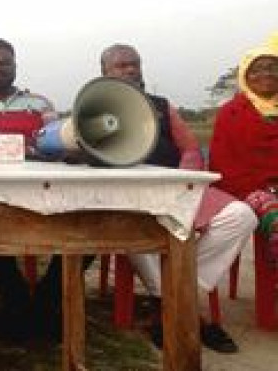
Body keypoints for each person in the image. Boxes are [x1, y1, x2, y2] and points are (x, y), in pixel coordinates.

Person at [101, 43, 257, 353]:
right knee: (127, 226)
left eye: (135, 64)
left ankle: (170, 301)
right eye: (121, 65)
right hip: (128, 196)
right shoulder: (94, 108)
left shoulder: (162, 106)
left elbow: (190, 148)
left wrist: (184, 182)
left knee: (242, 216)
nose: (131, 70)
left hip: (175, 188)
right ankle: (187, 311)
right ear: (104, 72)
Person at [0, 38, 73, 341]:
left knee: (86, 227)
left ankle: (45, 301)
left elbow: (59, 144)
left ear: (15, 66)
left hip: (43, 193)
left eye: (4, 62)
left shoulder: (40, 104)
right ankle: (21, 303)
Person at [209, 39, 278, 264]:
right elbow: (224, 164)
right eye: (257, 70)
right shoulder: (232, 112)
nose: (266, 74)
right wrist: (268, 188)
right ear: (245, 77)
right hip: (246, 189)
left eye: (273, 68)